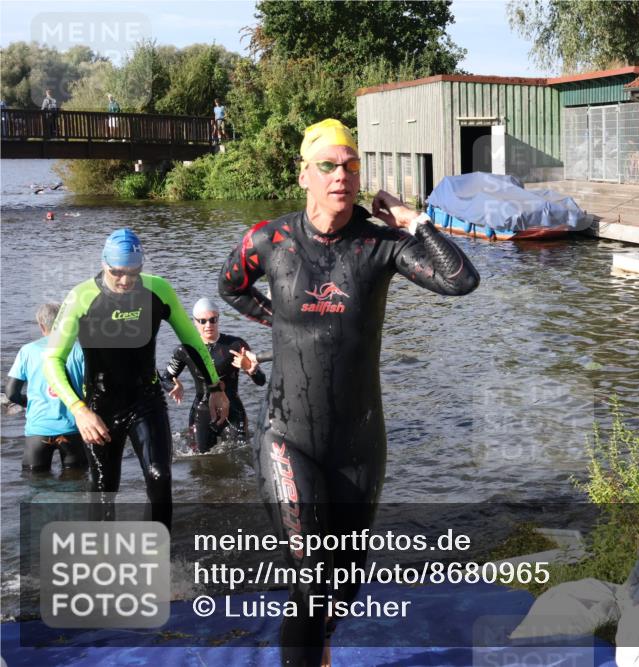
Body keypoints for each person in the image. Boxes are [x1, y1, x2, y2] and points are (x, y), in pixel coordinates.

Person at [218, 118, 479, 665]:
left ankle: (320, 648)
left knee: (341, 589)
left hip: (359, 446)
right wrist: (278, 321)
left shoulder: (378, 244)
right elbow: (229, 287)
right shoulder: (270, 239)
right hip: (288, 436)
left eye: (351, 166)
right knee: (311, 578)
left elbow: (460, 280)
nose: (342, 175)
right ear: (304, 176)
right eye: (329, 166)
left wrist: (415, 222)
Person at [43, 228, 229, 529]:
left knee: (160, 476)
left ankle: (159, 556)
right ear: (104, 264)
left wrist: (214, 388)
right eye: (118, 272)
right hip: (99, 407)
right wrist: (79, 410)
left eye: (133, 272)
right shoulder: (82, 296)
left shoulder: (158, 290)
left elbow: (192, 343)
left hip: (146, 401)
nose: (126, 280)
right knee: (105, 488)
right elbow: (52, 359)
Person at [165, 297, 265, 453]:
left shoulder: (236, 345)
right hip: (202, 410)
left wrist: (250, 369)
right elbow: (165, 378)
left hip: (233, 410)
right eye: (203, 321)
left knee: (241, 453)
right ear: (195, 321)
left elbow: (261, 381)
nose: (208, 325)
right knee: (200, 458)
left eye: (213, 320)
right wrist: (174, 385)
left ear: (218, 318)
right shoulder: (185, 349)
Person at [5, 303, 87, 472]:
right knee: (76, 481)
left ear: (42, 326)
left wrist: (29, 402)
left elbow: (11, 393)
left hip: (38, 431)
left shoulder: (27, 351)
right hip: (73, 430)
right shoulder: (81, 350)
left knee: (35, 483)